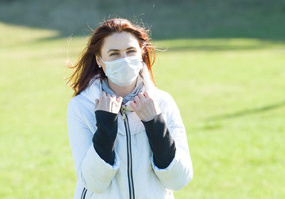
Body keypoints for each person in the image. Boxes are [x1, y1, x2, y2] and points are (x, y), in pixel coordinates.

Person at [66, 18, 193, 199]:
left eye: (130, 51)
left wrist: (155, 123)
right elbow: (93, 182)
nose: (124, 60)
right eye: (114, 54)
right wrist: (106, 124)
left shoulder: (162, 102)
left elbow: (179, 180)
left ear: (141, 53)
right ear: (99, 60)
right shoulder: (81, 106)